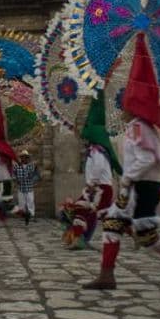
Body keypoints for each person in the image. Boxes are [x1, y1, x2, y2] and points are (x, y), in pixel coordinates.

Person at [83, 34, 160, 292]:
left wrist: (128, 179)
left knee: (147, 236)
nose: (121, 107)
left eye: (126, 103)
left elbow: (147, 159)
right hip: (138, 188)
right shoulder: (138, 127)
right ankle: (107, 274)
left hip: (142, 188)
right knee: (113, 223)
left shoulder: (139, 128)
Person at [62, 93, 119, 249]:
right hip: (95, 188)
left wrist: (92, 184)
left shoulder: (97, 151)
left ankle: (78, 239)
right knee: (88, 212)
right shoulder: (94, 150)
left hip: (100, 189)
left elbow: (98, 167)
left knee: (88, 212)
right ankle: (80, 239)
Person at [11, 149, 40, 224]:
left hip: (29, 187)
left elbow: (37, 174)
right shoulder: (17, 166)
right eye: (22, 157)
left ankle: (32, 216)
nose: (24, 158)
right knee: (21, 203)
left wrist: (33, 179)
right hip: (21, 188)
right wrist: (15, 179)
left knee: (30, 202)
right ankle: (23, 216)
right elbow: (13, 174)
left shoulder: (31, 166)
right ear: (21, 158)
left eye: (25, 157)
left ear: (28, 158)